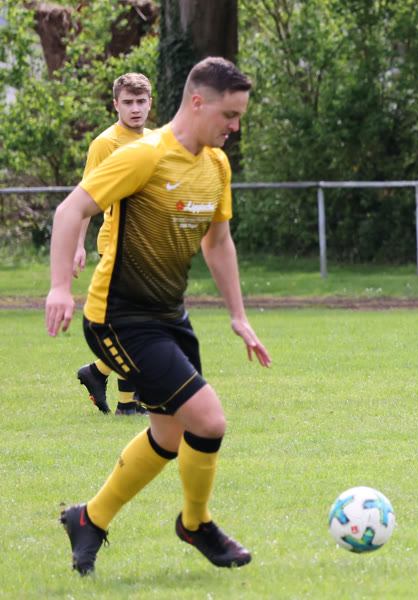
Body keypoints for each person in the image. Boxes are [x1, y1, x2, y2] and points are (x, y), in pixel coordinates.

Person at [45, 57, 271, 575]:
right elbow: (70, 210)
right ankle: (196, 523)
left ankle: (89, 518)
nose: (235, 126)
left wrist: (238, 315)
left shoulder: (216, 166)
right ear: (198, 102)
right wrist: (59, 287)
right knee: (208, 419)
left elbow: (218, 242)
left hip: (169, 317)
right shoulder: (144, 155)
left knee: (169, 435)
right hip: (118, 318)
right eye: (230, 115)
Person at [73, 72, 153, 416]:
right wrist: (78, 245)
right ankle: (124, 401)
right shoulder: (105, 144)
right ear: (116, 105)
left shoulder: (156, 140)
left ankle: (101, 376)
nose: (135, 108)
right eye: (128, 102)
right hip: (116, 246)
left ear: (149, 103)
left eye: (141, 101)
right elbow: (85, 197)